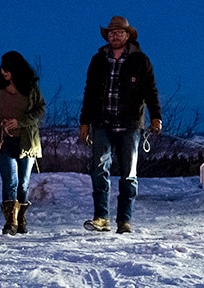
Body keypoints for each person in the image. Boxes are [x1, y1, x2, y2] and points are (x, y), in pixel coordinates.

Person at [80, 15, 163, 234]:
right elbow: (89, 92)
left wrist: (156, 117)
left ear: (128, 35)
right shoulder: (98, 59)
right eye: (111, 32)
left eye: (119, 32)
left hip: (130, 125)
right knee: (99, 171)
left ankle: (124, 220)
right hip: (102, 123)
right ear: (107, 36)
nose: (115, 36)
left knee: (129, 174)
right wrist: (84, 122)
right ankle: (101, 218)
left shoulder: (140, 60)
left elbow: (151, 91)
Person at [0, 51, 45, 235]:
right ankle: (10, 221)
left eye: (8, 69)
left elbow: (40, 110)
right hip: (4, 141)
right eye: (3, 68)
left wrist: (20, 122)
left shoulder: (30, 86)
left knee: (23, 182)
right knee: (10, 180)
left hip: (26, 141)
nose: (4, 72)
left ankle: (21, 219)